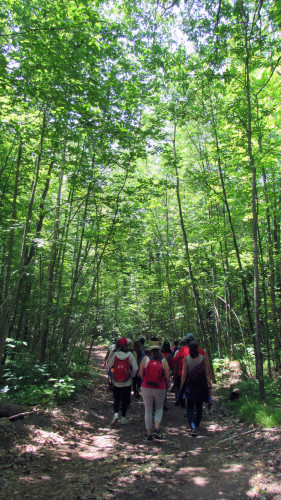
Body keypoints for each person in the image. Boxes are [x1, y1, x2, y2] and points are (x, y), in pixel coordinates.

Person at [139, 339, 171, 441]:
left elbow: (140, 374)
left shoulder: (145, 359)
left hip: (146, 387)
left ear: (150, 350)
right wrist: (168, 383)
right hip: (160, 388)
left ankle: (148, 434)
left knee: (148, 410)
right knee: (159, 408)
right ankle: (156, 429)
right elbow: (167, 376)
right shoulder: (163, 360)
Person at [180, 340, 212, 436]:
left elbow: (184, 375)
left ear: (189, 349)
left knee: (190, 407)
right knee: (199, 407)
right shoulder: (204, 358)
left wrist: (182, 387)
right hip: (202, 385)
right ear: (197, 348)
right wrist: (210, 386)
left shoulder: (186, 359)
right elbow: (207, 374)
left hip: (191, 386)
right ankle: (197, 425)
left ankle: (193, 426)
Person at [108, 337, 138, 427]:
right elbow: (135, 368)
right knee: (125, 400)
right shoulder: (130, 355)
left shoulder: (116, 354)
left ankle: (116, 414)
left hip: (117, 381)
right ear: (127, 345)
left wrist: (113, 374)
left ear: (119, 345)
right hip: (127, 382)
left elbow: (110, 365)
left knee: (116, 399)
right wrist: (131, 375)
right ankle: (123, 418)